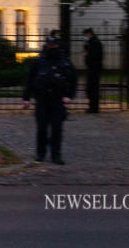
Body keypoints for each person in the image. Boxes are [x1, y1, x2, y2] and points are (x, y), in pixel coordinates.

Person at [23, 36, 77, 164]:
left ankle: (56, 155)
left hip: (58, 100)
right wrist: (26, 97)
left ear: (58, 46)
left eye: (53, 46)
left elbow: (73, 80)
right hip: (42, 99)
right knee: (42, 128)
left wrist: (69, 96)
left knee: (56, 128)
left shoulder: (65, 62)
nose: (51, 48)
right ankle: (40, 154)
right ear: (46, 46)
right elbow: (29, 80)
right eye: (49, 45)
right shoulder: (38, 62)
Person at [82, 28, 104, 113]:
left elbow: (96, 55)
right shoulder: (90, 42)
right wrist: (86, 47)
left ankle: (94, 107)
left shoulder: (95, 42)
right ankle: (92, 106)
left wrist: (87, 53)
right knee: (90, 88)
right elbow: (87, 51)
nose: (84, 37)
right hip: (91, 68)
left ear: (89, 34)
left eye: (85, 35)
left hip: (94, 68)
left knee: (93, 88)